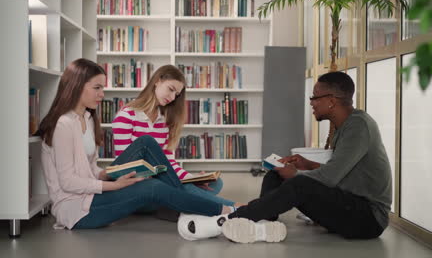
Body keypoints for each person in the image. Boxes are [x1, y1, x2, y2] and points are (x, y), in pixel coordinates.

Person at [178, 71, 392, 243]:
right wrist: (307, 164)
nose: (311, 102)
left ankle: (226, 221)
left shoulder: (359, 126)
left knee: (299, 184)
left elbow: (331, 178)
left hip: (368, 218)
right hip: (350, 203)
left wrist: (297, 173)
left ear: (331, 101)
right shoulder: (344, 126)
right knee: (276, 175)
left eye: (315, 97)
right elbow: (345, 172)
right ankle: (262, 220)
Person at [39, 58, 236, 230]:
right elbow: (68, 182)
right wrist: (114, 185)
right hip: (76, 209)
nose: (102, 94)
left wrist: (106, 175)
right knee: (151, 172)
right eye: (97, 88)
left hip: (94, 194)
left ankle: (206, 206)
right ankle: (230, 211)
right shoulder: (63, 125)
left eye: (103, 88)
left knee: (191, 182)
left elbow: (90, 168)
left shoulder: (87, 119)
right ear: (76, 85)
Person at [111, 64, 241, 209]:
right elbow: (123, 166)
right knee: (178, 187)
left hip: (162, 182)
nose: (172, 98)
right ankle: (234, 208)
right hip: (138, 186)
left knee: (215, 183)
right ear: (158, 81)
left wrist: (193, 179)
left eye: (176, 94)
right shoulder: (126, 116)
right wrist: (166, 178)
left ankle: (175, 206)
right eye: (171, 89)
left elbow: (169, 163)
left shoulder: (164, 121)